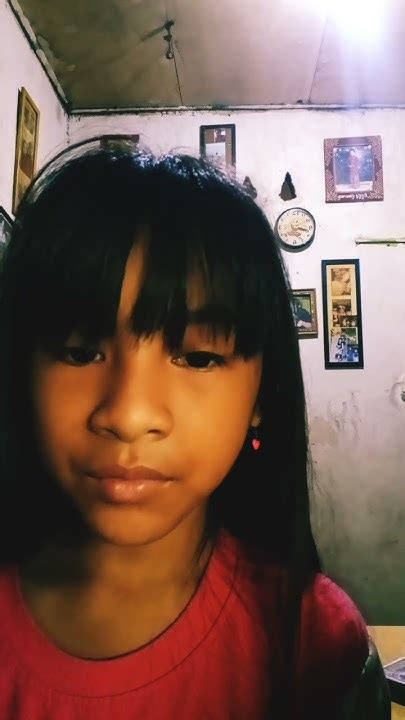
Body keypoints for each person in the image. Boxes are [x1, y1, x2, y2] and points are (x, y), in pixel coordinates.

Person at [0, 138, 389, 719]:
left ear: (262, 392)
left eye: (199, 357)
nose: (129, 415)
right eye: (80, 352)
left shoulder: (317, 645)